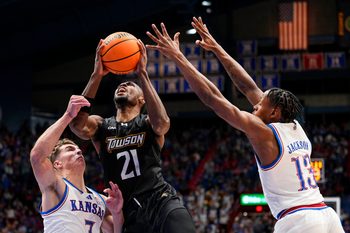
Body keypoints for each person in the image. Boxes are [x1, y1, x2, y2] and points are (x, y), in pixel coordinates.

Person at [145, 18, 345, 233]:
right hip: (326, 215)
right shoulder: (294, 125)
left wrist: (178, 57)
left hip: (300, 220)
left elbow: (213, 98)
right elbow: (247, 86)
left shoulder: (265, 132)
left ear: (274, 113)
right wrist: (218, 49)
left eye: (259, 106)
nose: (254, 107)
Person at [69, 39, 196, 233]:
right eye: (121, 84)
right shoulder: (102, 125)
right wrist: (96, 75)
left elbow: (162, 124)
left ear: (141, 99)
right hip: (128, 211)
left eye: (130, 84)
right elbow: (77, 125)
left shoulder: (147, 122)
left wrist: (142, 74)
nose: (124, 84)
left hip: (160, 201)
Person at [30, 95, 124, 233]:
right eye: (70, 149)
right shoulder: (56, 186)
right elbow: (37, 157)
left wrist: (117, 213)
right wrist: (68, 115)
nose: (78, 151)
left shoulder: (101, 200)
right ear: (57, 164)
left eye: (78, 149)